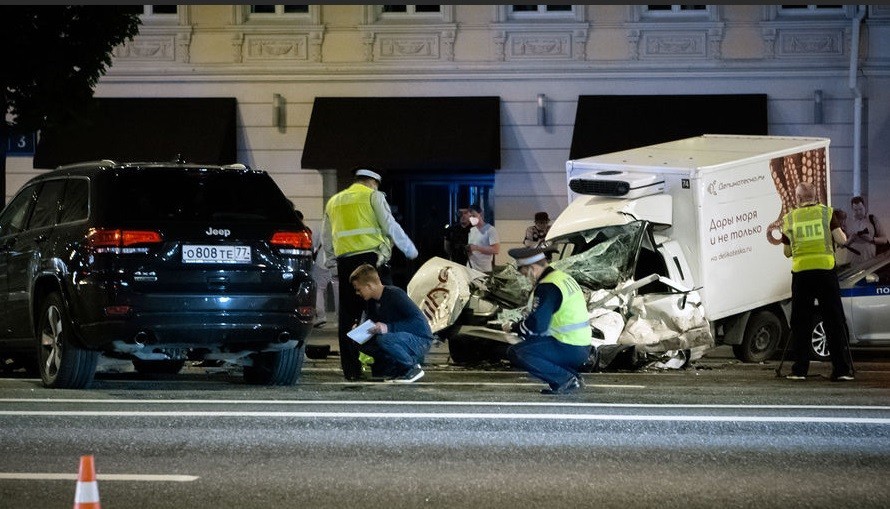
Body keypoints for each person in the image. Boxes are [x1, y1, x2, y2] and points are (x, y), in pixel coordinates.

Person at [322, 167, 419, 380]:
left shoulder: (334, 201)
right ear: (373, 182)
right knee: (385, 311)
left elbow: (326, 238)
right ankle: (387, 365)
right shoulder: (372, 196)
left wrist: (331, 264)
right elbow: (389, 225)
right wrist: (410, 249)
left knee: (348, 316)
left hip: (345, 262)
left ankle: (352, 370)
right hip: (371, 261)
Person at [781, 181, 855, 382]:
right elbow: (841, 240)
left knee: (800, 321)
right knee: (833, 320)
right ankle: (840, 369)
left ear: (797, 199)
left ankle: (800, 370)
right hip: (825, 273)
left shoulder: (790, 219)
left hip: (802, 275)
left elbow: (787, 252)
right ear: (815, 197)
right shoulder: (826, 213)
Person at [502, 246, 592, 395]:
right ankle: (572, 377)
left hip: (569, 346)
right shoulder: (561, 278)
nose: (525, 278)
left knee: (517, 352)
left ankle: (565, 380)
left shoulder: (548, 286)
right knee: (531, 345)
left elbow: (538, 326)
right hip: (581, 346)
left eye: (525, 273)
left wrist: (514, 328)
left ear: (532, 268)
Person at [349, 263, 433, 383]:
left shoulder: (395, 295)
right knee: (358, 340)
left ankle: (412, 368)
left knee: (385, 339)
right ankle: (397, 369)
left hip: (420, 340)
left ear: (369, 286)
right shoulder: (372, 302)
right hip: (401, 339)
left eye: (358, 289)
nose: (357, 293)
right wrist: (359, 330)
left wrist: (388, 327)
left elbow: (421, 325)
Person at [845, 195, 888, 264]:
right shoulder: (847, 222)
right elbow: (842, 244)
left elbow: (884, 239)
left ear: (865, 207)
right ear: (852, 209)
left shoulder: (872, 219)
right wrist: (851, 239)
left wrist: (871, 239)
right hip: (852, 261)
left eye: (860, 209)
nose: (858, 212)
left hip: (870, 260)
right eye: (855, 210)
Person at [466, 203, 500, 273]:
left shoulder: (490, 230)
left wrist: (476, 248)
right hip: (470, 269)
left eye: (474, 216)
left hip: (484, 270)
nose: (471, 219)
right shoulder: (472, 230)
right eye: (470, 217)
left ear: (480, 214)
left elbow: (496, 250)